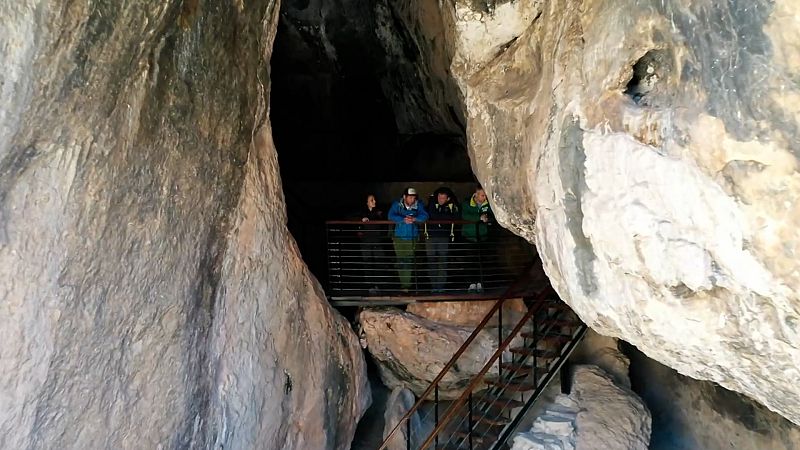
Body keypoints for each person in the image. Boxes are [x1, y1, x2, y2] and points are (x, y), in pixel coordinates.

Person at [388, 187, 428, 292]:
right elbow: (390, 215)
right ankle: (404, 285)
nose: (412, 200)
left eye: (413, 197)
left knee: (408, 261)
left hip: (412, 237)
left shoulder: (418, 205)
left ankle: (407, 285)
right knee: (401, 261)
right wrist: (403, 219)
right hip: (399, 238)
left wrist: (415, 219)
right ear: (404, 197)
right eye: (410, 197)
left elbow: (425, 215)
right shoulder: (397, 205)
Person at [425, 187, 459, 292]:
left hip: (444, 237)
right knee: (431, 261)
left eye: (443, 198)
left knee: (442, 261)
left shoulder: (451, 205)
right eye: (439, 197)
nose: (440, 200)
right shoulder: (432, 203)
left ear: (447, 198)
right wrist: (444, 217)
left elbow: (455, 217)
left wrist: (441, 216)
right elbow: (432, 215)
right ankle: (433, 286)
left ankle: (441, 287)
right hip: (430, 236)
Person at [462, 185, 493, 292]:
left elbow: (492, 216)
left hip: (483, 237)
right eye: (482, 195)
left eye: (485, 195)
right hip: (469, 237)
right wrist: (479, 218)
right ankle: (471, 284)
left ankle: (480, 284)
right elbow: (465, 215)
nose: (484, 197)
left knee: (482, 262)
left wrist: (488, 218)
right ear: (476, 194)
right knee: (470, 262)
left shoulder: (487, 205)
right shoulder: (467, 204)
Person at [357, 194, 384, 293]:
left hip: (377, 241)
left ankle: (378, 285)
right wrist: (362, 219)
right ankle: (370, 286)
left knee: (378, 263)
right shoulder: (362, 212)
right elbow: (353, 217)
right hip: (366, 242)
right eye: (372, 200)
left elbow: (381, 219)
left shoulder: (379, 211)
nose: (374, 202)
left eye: (374, 200)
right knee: (367, 263)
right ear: (367, 202)